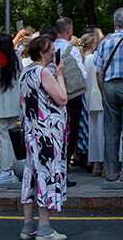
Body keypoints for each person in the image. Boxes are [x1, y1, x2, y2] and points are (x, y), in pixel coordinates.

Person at [19, 35, 68, 240]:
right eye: (50, 49)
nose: (54, 52)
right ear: (41, 52)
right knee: (46, 175)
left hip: (32, 131)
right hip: (48, 132)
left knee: (31, 175)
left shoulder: (26, 71)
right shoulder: (43, 72)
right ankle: (44, 227)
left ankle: (28, 225)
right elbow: (62, 99)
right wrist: (60, 76)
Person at [93, 7, 123, 184]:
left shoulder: (104, 43)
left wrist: (103, 92)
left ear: (114, 23)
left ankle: (111, 172)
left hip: (109, 86)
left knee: (110, 131)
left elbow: (98, 71)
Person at [53, 17, 86, 175]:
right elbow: (82, 74)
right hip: (72, 95)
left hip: (52, 93)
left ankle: (54, 165)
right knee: (71, 130)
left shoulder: (49, 48)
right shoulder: (72, 50)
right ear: (68, 31)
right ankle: (64, 167)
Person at [0, 34, 22, 186]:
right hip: (15, 104)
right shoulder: (16, 60)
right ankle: (16, 169)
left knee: (1, 139)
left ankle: (5, 170)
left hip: (0, 104)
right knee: (13, 138)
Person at [80, 33, 103, 177]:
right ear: (93, 45)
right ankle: (102, 162)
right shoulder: (95, 60)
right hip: (99, 98)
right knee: (101, 133)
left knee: (93, 133)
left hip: (89, 99)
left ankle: (95, 162)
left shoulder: (83, 61)